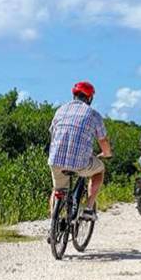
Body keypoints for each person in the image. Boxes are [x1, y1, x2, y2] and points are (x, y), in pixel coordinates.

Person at [48, 81, 112, 224]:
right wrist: (106, 154)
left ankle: (53, 224)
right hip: (80, 163)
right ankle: (89, 209)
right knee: (99, 170)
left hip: (55, 160)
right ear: (90, 98)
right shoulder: (93, 115)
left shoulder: (60, 110)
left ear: (74, 95)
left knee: (57, 189)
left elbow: (52, 133)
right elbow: (103, 140)